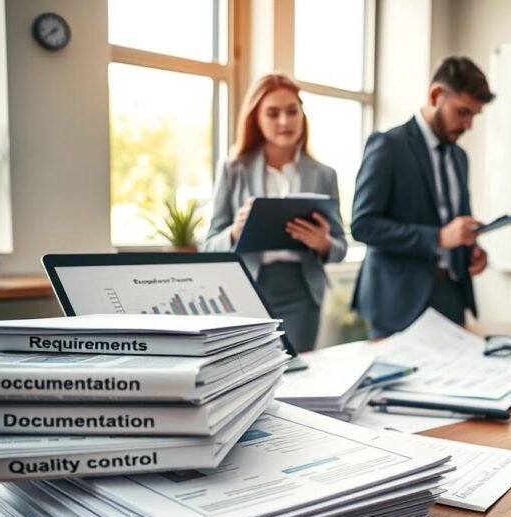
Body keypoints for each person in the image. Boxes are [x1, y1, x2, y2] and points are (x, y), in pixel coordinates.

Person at [351, 57, 495, 338]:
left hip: (452, 298)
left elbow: (452, 226)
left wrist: (472, 252)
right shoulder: (388, 146)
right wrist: (439, 238)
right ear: (435, 95)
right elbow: (363, 225)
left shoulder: (459, 156)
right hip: (397, 303)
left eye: (474, 116)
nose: (468, 125)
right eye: (463, 112)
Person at [202, 72, 347, 351]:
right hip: (247, 290)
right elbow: (208, 246)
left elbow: (340, 247)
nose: (284, 121)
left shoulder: (324, 175)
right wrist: (234, 232)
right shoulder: (233, 170)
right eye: (273, 113)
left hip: (302, 293)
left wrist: (324, 244)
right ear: (256, 117)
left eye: (292, 111)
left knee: (298, 379)